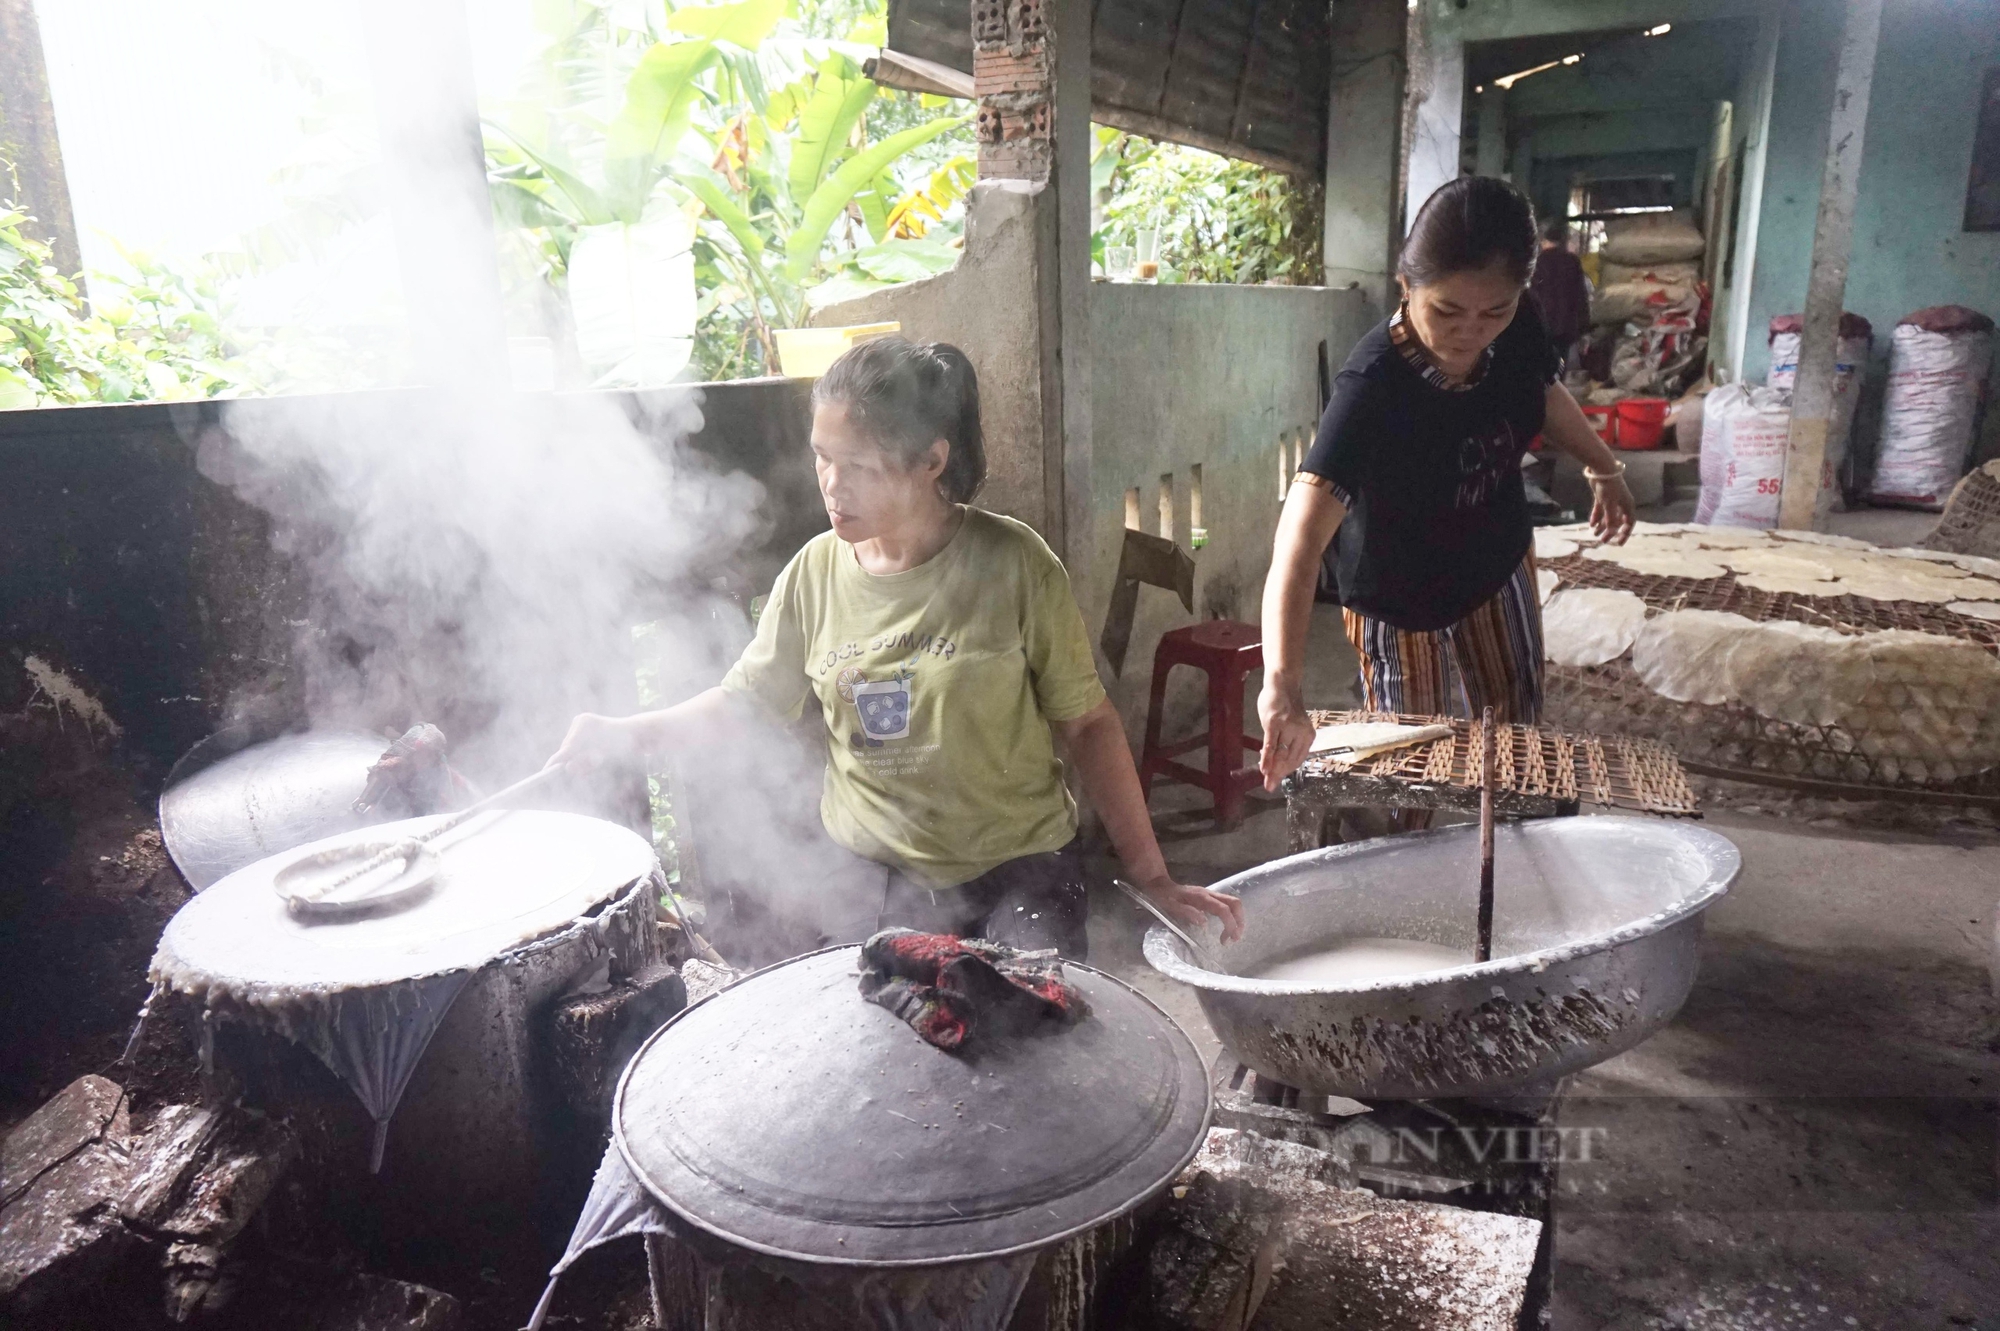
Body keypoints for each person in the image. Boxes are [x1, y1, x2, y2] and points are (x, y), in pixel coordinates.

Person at [550, 336, 1244, 959]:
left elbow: (1088, 724)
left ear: (931, 461)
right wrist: (622, 734)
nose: (830, 483)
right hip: (870, 875)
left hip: (1020, 869)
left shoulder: (1016, 565)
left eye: (857, 465)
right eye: (822, 457)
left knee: (1033, 1029)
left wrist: (1154, 876)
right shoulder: (815, 574)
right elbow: (743, 705)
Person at [1257, 176, 1637, 793]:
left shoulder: (1515, 325)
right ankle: (1415, 863)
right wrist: (1282, 684)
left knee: (1517, 739)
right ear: (1406, 287)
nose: (1472, 330)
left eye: (1495, 311)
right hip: (1398, 593)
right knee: (1411, 758)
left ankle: (1508, 856)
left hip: (1495, 563)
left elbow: (1540, 391)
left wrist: (1603, 465)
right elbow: (1298, 547)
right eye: (1447, 311)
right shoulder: (1372, 387)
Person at [1527, 214, 1590, 370]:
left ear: (1541, 238)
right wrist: (1583, 328)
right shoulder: (1572, 261)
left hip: (1541, 328)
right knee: (1559, 371)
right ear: (1562, 238)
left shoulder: (1537, 263)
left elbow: (1529, 297)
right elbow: (1581, 297)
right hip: (1565, 328)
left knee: (1539, 369)